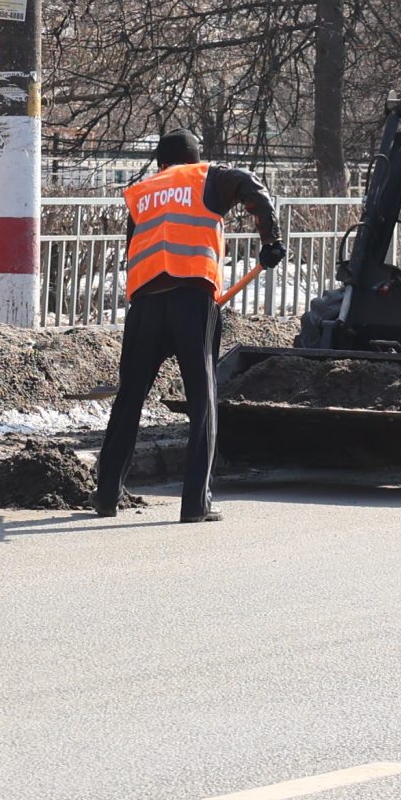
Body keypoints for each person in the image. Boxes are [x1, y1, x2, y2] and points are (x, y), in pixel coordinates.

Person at [93, 131, 285, 524]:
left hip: (145, 302)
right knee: (202, 400)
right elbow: (256, 193)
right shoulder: (207, 176)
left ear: (161, 163)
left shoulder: (143, 190)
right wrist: (271, 240)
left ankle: (106, 496)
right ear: (194, 157)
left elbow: (134, 245)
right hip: (192, 299)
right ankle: (195, 504)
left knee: (129, 398)